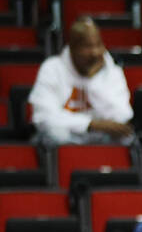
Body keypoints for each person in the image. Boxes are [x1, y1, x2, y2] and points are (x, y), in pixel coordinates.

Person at [29, 17, 133, 145]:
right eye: (88, 46)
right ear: (73, 48)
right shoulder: (52, 68)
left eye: (98, 45)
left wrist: (94, 81)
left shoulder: (112, 71)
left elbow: (121, 117)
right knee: (55, 134)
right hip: (67, 138)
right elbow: (43, 118)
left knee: (126, 137)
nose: (95, 53)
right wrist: (90, 124)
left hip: (99, 139)